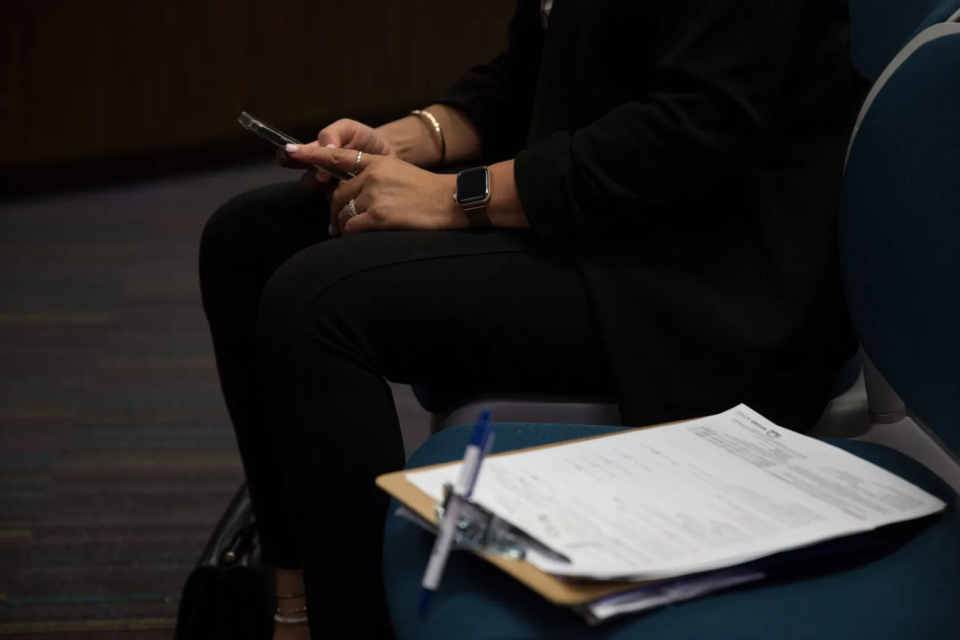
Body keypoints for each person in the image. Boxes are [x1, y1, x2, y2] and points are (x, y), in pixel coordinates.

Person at [198, 0, 869, 638]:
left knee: (314, 305)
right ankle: (299, 604)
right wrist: (404, 142)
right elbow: (534, 68)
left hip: (705, 271)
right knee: (249, 240)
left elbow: (690, 132)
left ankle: (360, 625)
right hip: (609, 218)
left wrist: (453, 197)